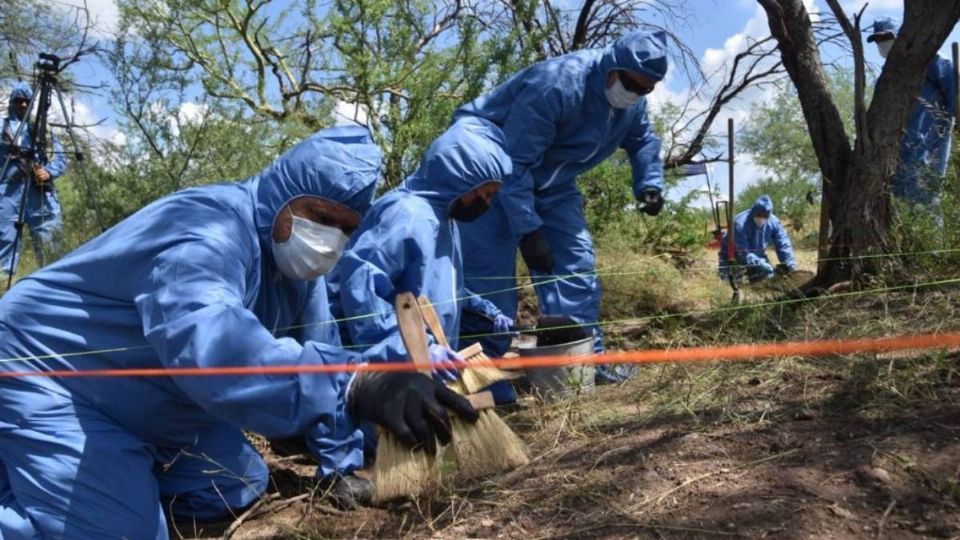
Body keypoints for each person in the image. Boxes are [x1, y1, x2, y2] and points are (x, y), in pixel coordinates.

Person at [0, 125, 478, 539]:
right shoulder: (206, 232)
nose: (330, 237)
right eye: (320, 216)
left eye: (346, 227)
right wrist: (357, 384)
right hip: (51, 376)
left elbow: (323, 354)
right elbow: (211, 348)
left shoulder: (294, 272)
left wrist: (357, 447)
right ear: (282, 193)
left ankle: (100, 477)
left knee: (236, 484)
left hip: (154, 396)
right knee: (123, 533)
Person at [453, 30, 669, 384]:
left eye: (645, 89)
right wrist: (529, 229)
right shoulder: (558, 84)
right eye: (630, 83)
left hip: (553, 185)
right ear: (611, 66)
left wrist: (649, 184)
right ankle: (479, 379)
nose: (634, 93)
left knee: (576, 268)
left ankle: (582, 367)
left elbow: (643, 139)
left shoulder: (632, 103)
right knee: (488, 282)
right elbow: (515, 163)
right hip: (490, 176)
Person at [318, 118, 511, 500]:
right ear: (459, 177)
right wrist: (402, 345)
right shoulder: (407, 212)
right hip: (385, 360)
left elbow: (443, 286)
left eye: (492, 197)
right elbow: (364, 287)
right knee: (383, 425)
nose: (485, 205)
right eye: (484, 194)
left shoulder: (445, 218)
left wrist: (484, 311)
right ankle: (346, 474)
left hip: (423, 356)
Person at [867, 17, 957, 214]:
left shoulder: (929, 59)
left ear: (900, 36)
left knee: (926, 205)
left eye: (886, 37)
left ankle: (930, 245)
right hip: (895, 155)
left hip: (928, 148)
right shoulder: (886, 78)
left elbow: (955, 95)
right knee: (899, 209)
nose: (881, 43)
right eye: (877, 40)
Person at [0, 82, 67, 275]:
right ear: (12, 102)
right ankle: (4, 288)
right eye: (18, 101)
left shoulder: (42, 129)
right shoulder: (2, 127)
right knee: (4, 243)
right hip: (8, 195)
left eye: (26, 101)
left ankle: (53, 284)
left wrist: (49, 171)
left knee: (50, 245)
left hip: (40, 195)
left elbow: (60, 157)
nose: (22, 105)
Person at [718, 195, 796, 282]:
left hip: (758, 257)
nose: (761, 218)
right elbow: (742, 253)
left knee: (768, 280)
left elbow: (783, 244)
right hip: (733, 258)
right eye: (759, 215)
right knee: (731, 284)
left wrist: (789, 263)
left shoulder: (773, 222)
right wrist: (760, 264)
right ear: (753, 211)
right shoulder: (740, 224)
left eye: (765, 216)